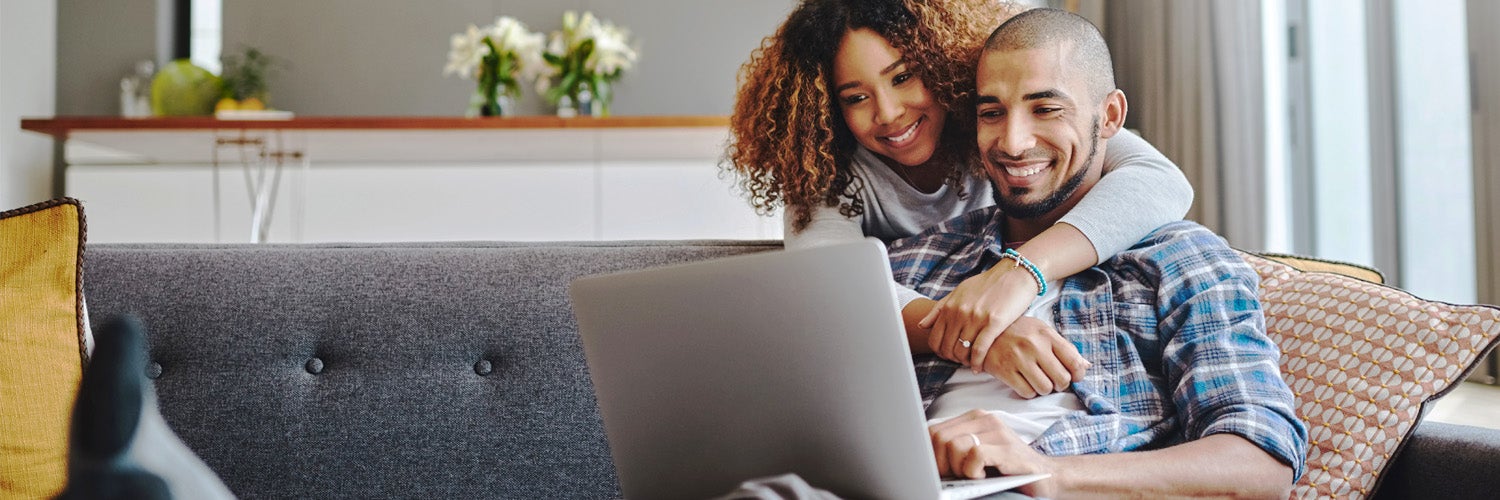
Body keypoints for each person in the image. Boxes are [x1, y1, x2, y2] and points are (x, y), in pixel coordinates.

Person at [887, 8, 1307, 498]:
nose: (1013, 142)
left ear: (1109, 117)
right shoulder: (917, 259)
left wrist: (1045, 474)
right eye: (991, 112)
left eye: (1046, 109)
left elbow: (1262, 458)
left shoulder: (1179, 260)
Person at [723, 0, 1195, 395]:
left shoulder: (999, 127)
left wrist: (1022, 271)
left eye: (903, 77)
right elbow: (828, 288)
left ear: (942, 64)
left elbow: (1161, 180)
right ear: (825, 107)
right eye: (855, 97)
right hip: (932, 371)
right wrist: (978, 336)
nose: (888, 113)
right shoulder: (827, 174)